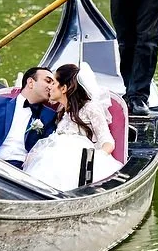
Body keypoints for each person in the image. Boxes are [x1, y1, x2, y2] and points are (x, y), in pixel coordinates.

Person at [23, 63, 124, 191]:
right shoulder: (62, 112)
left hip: (80, 160)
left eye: (53, 83)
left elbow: (107, 140)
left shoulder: (90, 108)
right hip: (54, 159)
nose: (50, 87)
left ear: (63, 88)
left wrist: (97, 158)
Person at [0, 67, 58, 169]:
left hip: (24, 168)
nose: (51, 87)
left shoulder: (49, 115)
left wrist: (36, 155)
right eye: (48, 81)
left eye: (53, 84)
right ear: (30, 82)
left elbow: (47, 145)